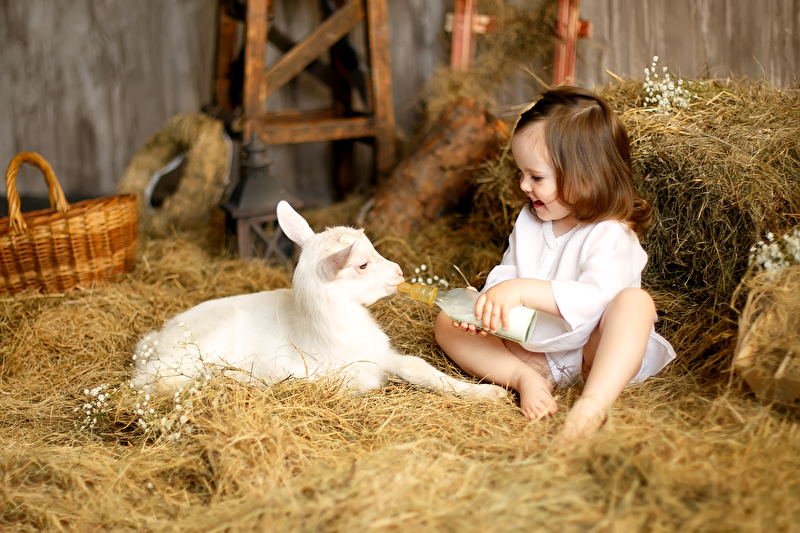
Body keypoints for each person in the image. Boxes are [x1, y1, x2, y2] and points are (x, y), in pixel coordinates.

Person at [434, 86, 676, 442]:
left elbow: (595, 298)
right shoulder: (530, 221)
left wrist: (521, 291)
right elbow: (509, 272)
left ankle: (592, 403)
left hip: (591, 353)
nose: (523, 185)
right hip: (531, 350)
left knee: (635, 304)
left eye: (536, 177)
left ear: (585, 177)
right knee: (446, 321)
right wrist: (488, 306)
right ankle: (524, 377)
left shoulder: (610, 234)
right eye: (521, 173)